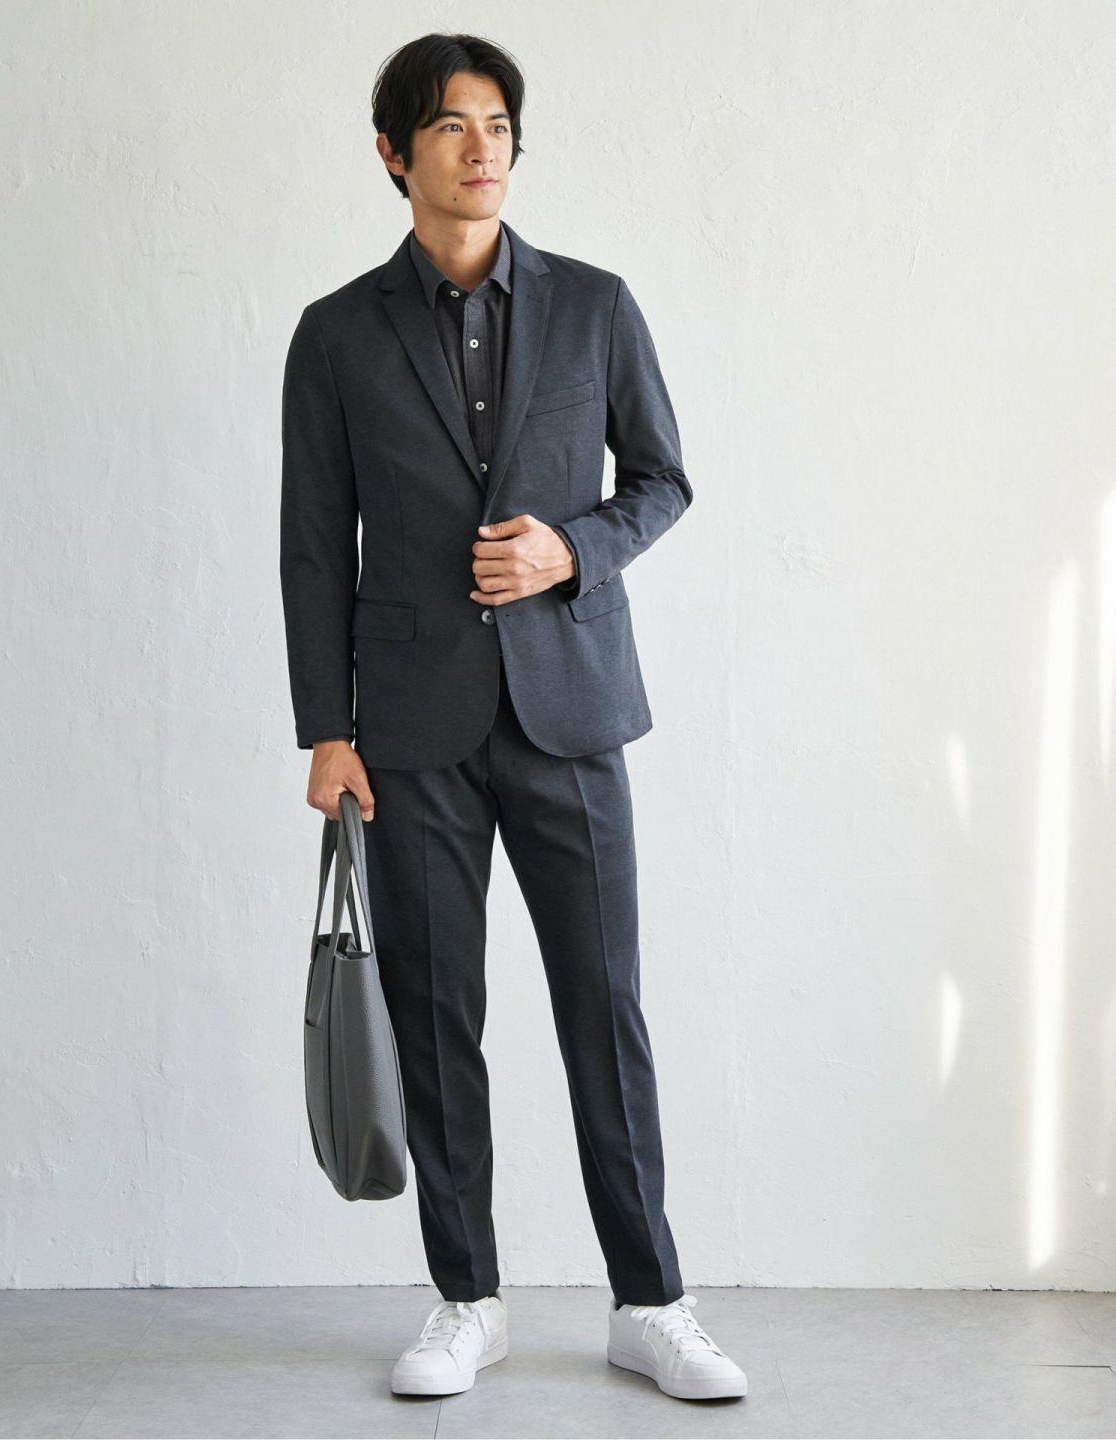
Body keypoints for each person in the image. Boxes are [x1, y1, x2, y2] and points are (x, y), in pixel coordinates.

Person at [279, 31, 747, 1403]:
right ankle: (465, 1298)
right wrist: (326, 730)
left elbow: (660, 482)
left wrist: (570, 552)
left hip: (571, 710)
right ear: (394, 154)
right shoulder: (336, 335)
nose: (482, 147)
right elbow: (313, 545)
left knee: (605, 1008)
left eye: (497, 124)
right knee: (436, 1020)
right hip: (409, 729)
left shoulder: (595, 306)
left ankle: (650, 1300)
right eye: (451, 125)